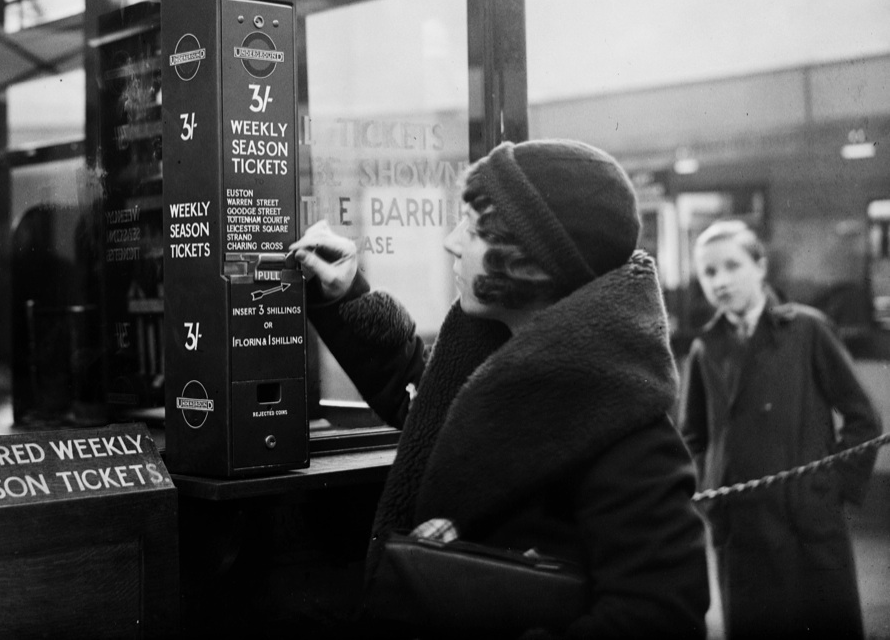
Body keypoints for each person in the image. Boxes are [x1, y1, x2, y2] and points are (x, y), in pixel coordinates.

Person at [292, 139, 710, 639]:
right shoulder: (499, 353)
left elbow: (661, 617)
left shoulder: (631, 435)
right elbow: (429, 403)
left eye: (472, 227)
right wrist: (345, 294)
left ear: (531, 264)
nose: (450, 241)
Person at [678, 219, 883, 640]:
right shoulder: (706, 347)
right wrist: (713, 489)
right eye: (709, 271)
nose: (721, 281)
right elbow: (692, 436)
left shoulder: (807, 329)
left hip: (805, 523)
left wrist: (829, 487)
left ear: (760, 267)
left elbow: (864, 418)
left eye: (732, 266)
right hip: (741, 529)